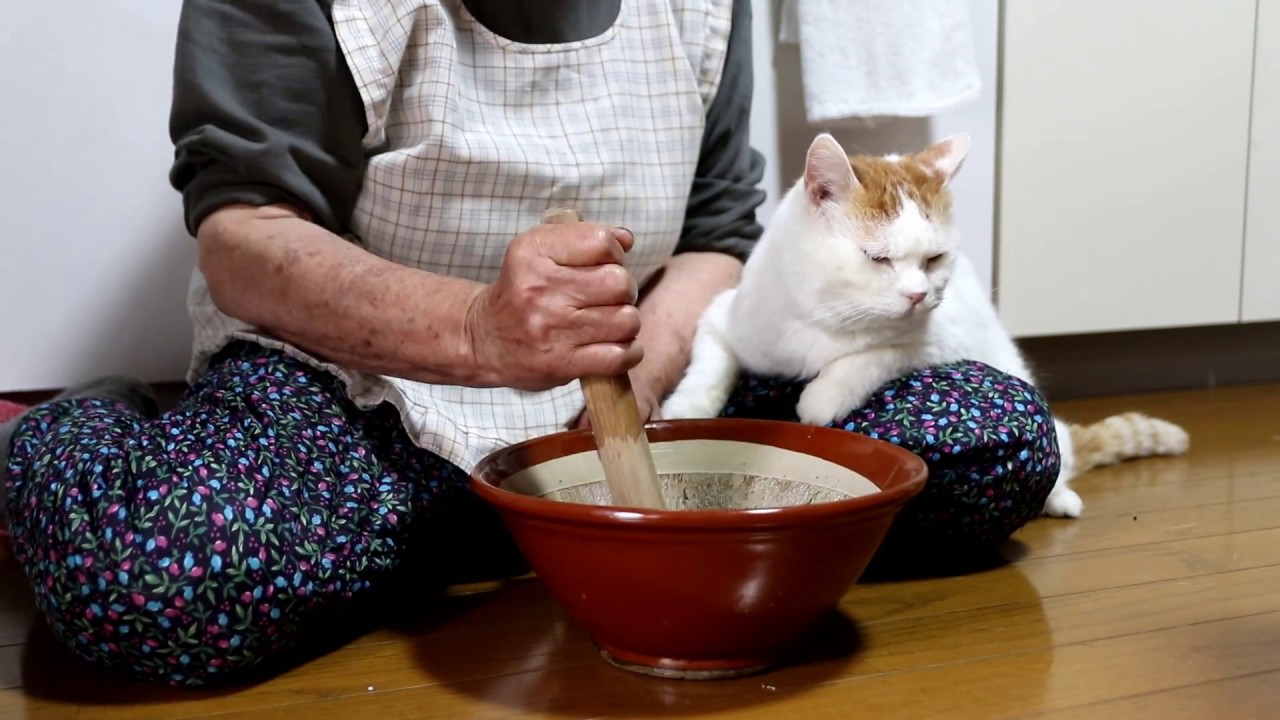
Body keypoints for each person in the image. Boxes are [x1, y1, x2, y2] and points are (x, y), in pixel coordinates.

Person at [0, 0, 1059, 688]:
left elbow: (715, 234)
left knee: (990, 441)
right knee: (144, 578)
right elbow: (243, 240)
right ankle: (101, 418)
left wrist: (642, 370)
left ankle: (484, 543)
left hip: (628, 397)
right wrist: (474, 332)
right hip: (369, 401)